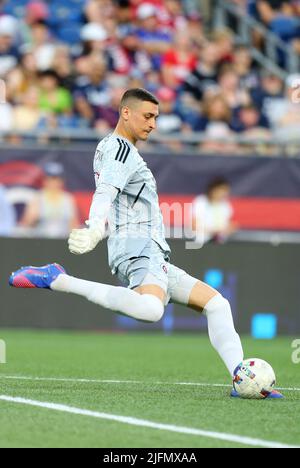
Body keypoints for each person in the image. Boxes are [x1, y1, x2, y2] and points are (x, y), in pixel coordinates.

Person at [9, 88, 282, 399]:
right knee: (152, 311)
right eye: (148, 116)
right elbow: (105, 193)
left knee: (217, 305)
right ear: (126, 113)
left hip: (152, 252)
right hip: (137, 248)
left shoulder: (114, 149)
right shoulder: (120, 150)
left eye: (157, 117)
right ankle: (59, 279)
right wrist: (96, 228)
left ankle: (239, 378)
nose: (153, 124)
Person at [19, 162, 79, 238]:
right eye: (49, 178)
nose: (53, 182)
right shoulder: (37, 198)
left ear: (61, 181)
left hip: (63, 241)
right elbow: (25, 225)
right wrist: (32, 218)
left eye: (56, 179)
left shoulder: (68, 199)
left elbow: (74, 225)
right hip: (41, 242)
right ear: (44, 180)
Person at [192, 177, 238, 244]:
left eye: (226, 191)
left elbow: (230, 224)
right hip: (202, 242)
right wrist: (214, 231)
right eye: (222, 190)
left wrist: (230, 228)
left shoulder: (226, 205)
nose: (224, 193)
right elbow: (194, 226)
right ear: (214, 189)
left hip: (220, 243)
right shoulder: (200, 202)